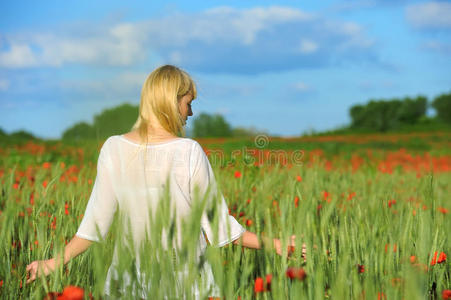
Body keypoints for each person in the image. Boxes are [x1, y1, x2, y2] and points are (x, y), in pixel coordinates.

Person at [25, 65, 300, 298]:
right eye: (188, 103)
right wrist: (277, 244)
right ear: (172, 100)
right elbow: (220, 230)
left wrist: (54, 262)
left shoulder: (113, 148)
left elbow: (96, 223)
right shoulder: (188, 151)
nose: (190, 113)